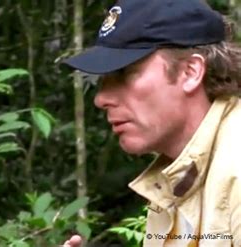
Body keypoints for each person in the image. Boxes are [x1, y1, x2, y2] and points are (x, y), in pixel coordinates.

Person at [61, 0, 241, 246]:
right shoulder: (176, 178)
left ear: (190, 72)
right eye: (104, 79)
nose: (101, 99)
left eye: (125, 73)